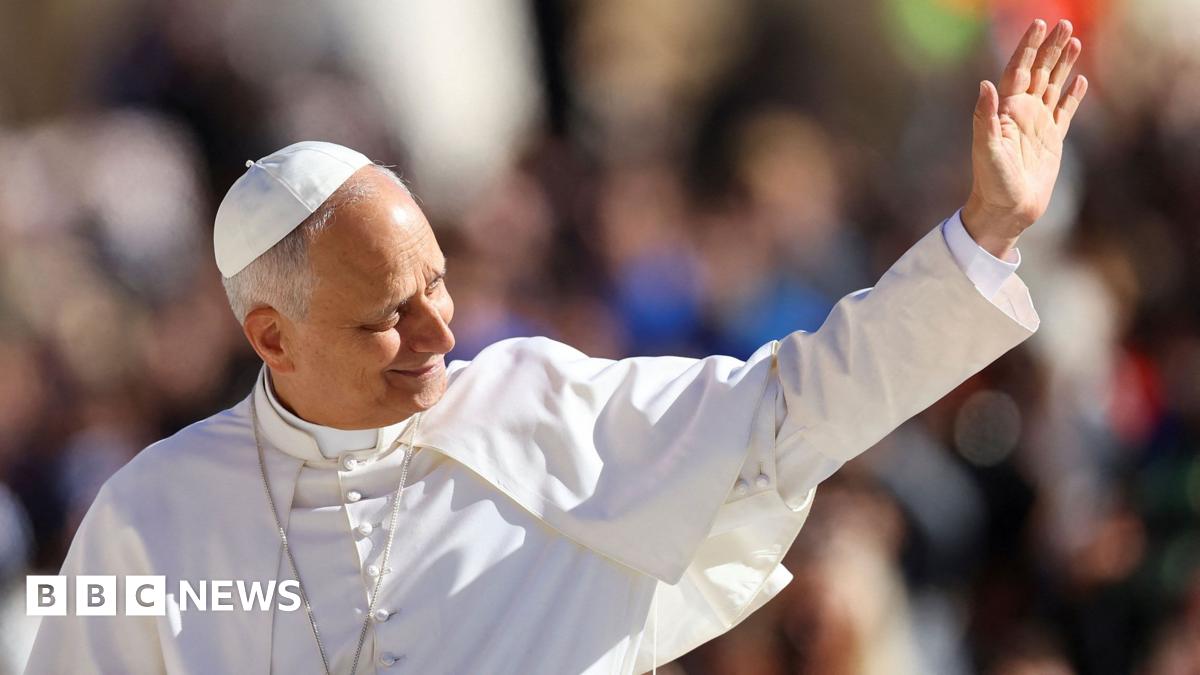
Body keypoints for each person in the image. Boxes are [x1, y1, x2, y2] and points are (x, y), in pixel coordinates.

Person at [26, 19, 1087, 675]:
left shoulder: (549, 415)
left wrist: (983, 235)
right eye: (388, 315)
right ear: (272, 337)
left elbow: (799, 404)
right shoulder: (147, 518)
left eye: (438, 284)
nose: (443, 331)